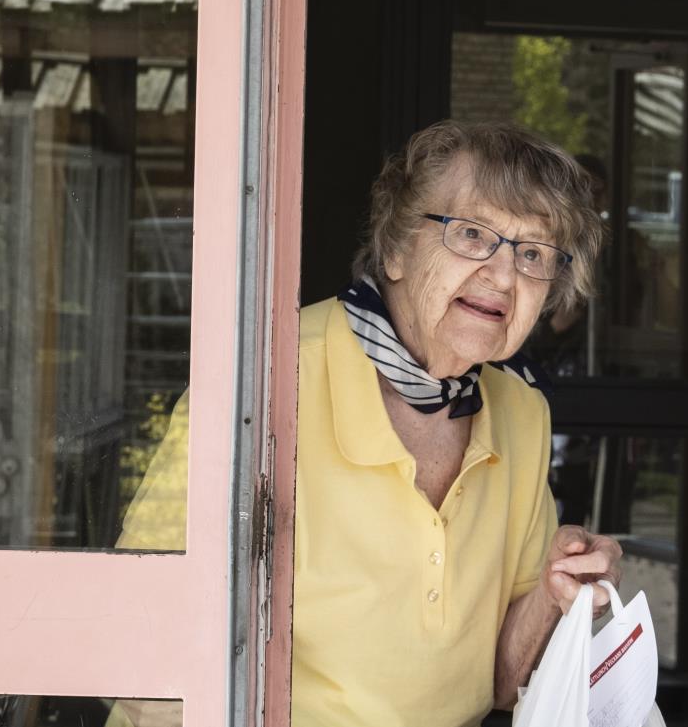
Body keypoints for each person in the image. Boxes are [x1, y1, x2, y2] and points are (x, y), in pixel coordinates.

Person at [115, 121, 622, 727]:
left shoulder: (520, 413)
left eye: (534, 254)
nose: (505, 276)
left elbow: (503, 684)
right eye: (471, 235)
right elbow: (137, 650)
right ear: (397, 248)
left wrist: (555, 592)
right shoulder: (263, 387)